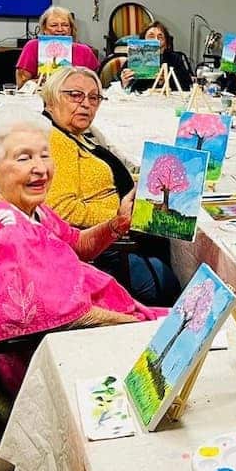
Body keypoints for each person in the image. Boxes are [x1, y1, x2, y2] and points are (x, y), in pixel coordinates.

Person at [0, 108, 165, 395]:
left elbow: (78, 245)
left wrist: (119, 222)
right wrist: (141, 326)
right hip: (54, 359)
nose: (41, 168)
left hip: (85, 332)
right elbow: (73, 319)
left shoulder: (19, 210)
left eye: (44, 155)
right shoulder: (8, 235)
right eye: (24, 158)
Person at [41, 67, 180, 306]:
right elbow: (62, 211)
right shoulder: (57, 141)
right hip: (107, 253)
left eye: (94, 98)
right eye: (75, 95)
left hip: (119, 239)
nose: (86, 104)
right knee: (173, 281)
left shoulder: (77, 134)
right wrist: (119, 217)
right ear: (51, 99)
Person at [14, 6, 100, 87]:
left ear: (71, 28)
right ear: (44, 28)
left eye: (65, 25)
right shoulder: (32, 46)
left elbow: (96, 83)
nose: (60, 29)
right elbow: (21, 83)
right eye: (54, 25)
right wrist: (38, 83)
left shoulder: (85, 51)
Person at [118, 20, 194, 92]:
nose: (156, 40)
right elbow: (121, 88)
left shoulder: (175, 59)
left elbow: (187, 86)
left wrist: (166, 81)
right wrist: (125, 83)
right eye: (151, 36)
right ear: (143, 41)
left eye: (160, 37)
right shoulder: (133, 59)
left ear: (166, 44)